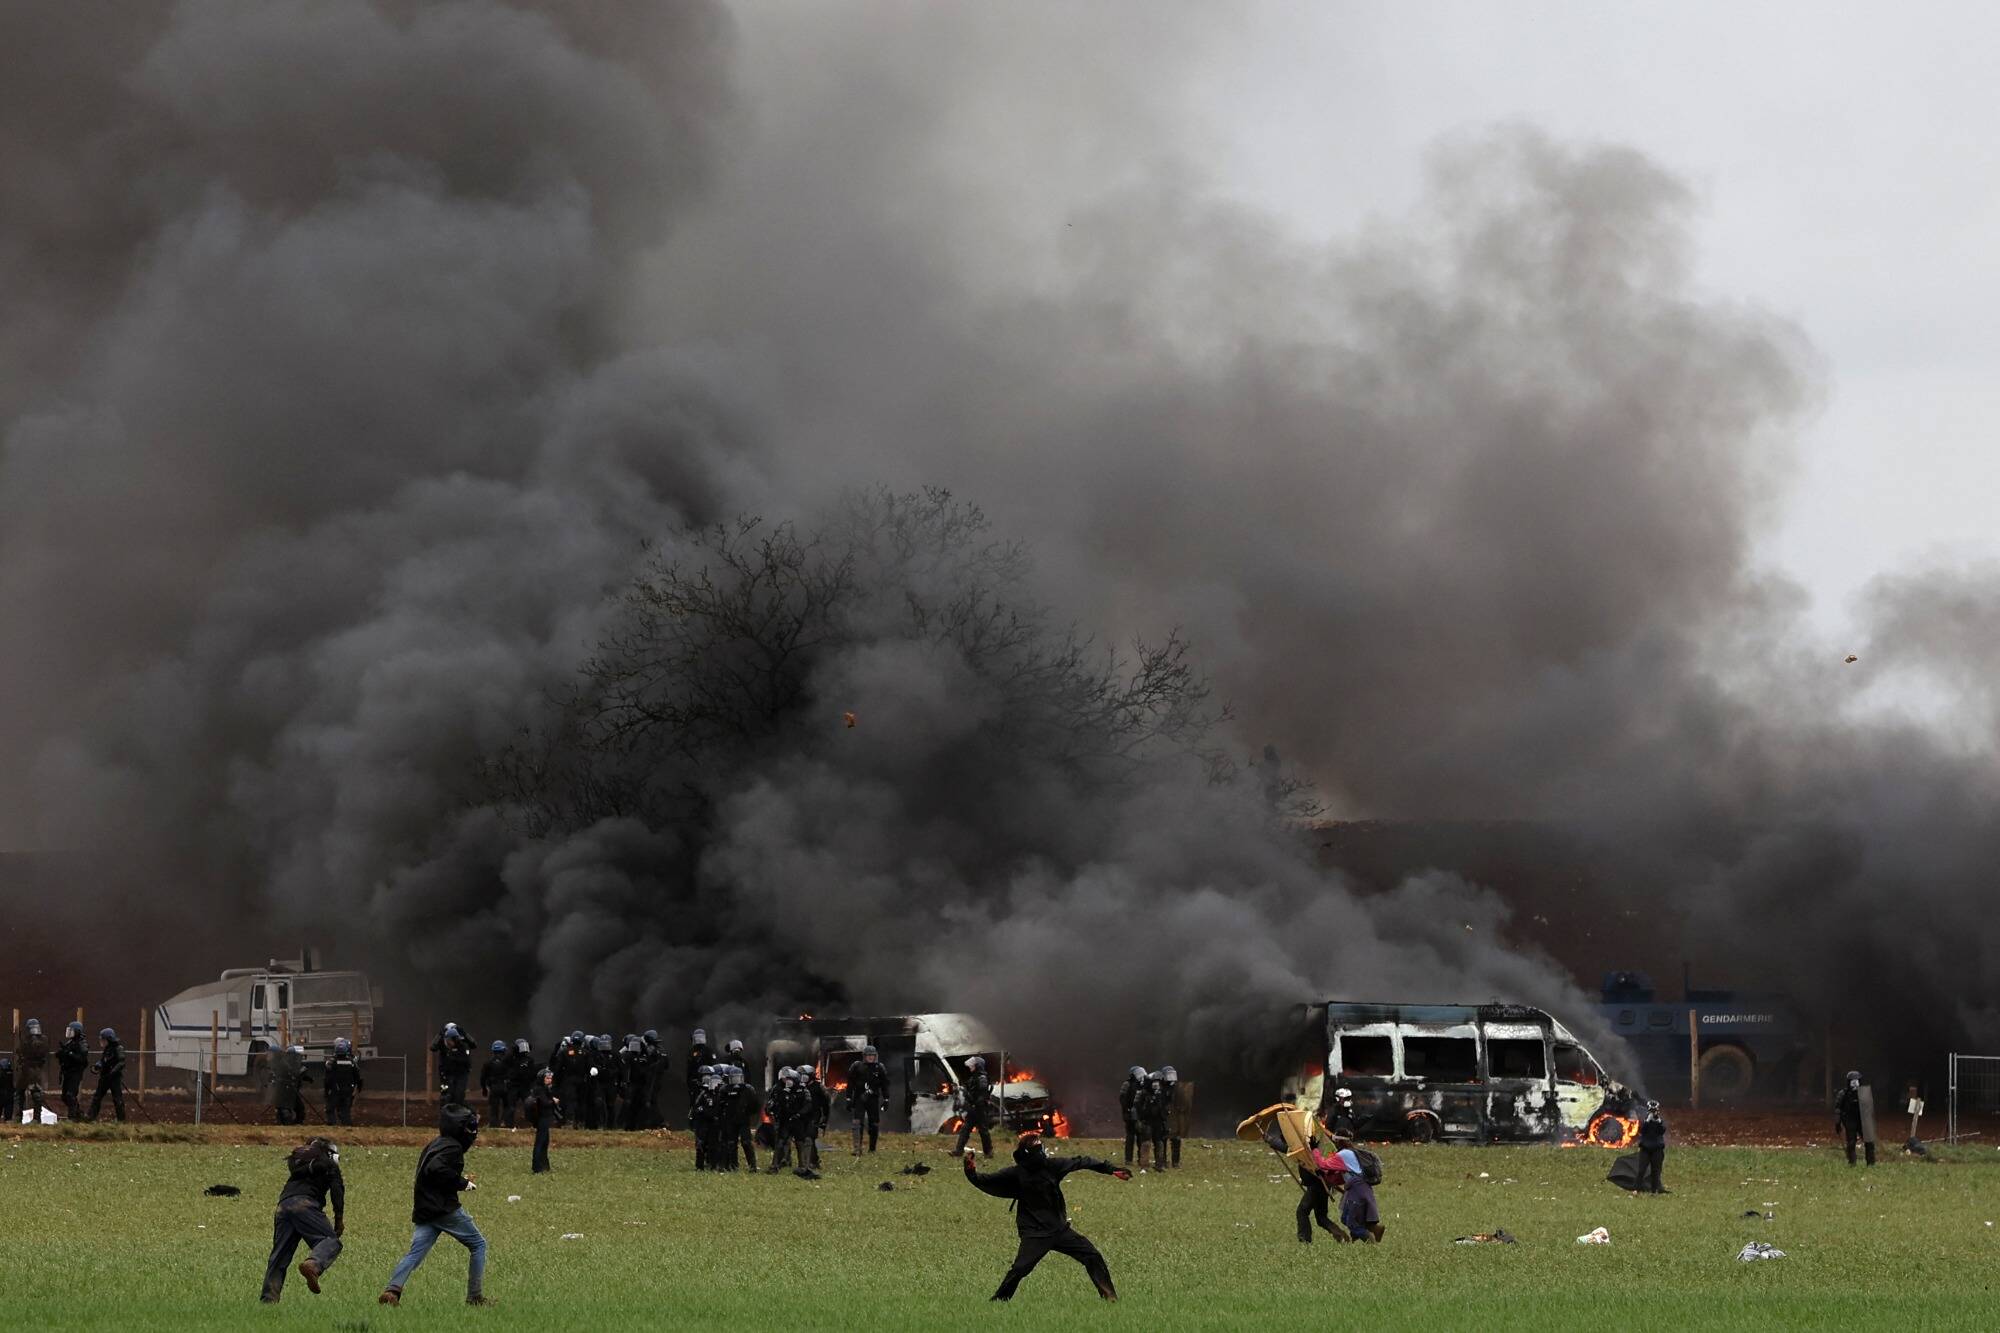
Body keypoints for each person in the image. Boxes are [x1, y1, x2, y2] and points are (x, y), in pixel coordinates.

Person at [963, 1132, 1130, 1301]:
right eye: (1038, 1147)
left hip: (1060, 1230)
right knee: (1020, 1269)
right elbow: (985, 1180)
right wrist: (970, 1170)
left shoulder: (1052, 1166)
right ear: (1030, 1152)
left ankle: (1110, 1297)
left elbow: (1082, 1161)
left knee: (1092, 1255)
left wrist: (1111, 1169)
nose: (1042, 1151)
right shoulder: (1016, 1174)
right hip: (1035, 1234)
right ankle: (998, 1301)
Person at [380, 1104, 489, 1307]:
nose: (474, 1131)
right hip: (442, 1209)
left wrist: (455, 1180)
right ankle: (475, 1297)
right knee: (479, 1244)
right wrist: (461, 1183)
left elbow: (432, 1172)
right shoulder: (453, 1147)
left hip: (424, 1208)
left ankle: (392, 1290)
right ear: (461, 1128)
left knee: (415, 1253)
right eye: (471, 1126)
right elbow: (435, 1169)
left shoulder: (437, 1143)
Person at [260, 1135, 345, 1303]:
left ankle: (268, 1300)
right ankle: (314, 1264)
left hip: (283, 1206)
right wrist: (339, 1220)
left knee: (279, 1256)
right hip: (305, 1205)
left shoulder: (300, 1166)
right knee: (331, 1241)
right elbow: (338, 1192)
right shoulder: (329, 1166)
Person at [848, 1045, 890, 1155]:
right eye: (868, 1055)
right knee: (857, 1123)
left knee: (874, 1124)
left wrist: (886, 1099)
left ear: (875, 1056)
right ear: (864, 1056)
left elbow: (885, 1085)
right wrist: (848, 1098)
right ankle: (857, 1149)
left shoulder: (879, 1067)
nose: (870, 1057)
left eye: (872, 1055)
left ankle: (872, 1149)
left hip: (873, 1099)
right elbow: (850, 1084)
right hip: (859, 1099)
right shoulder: (856, 1066)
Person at [955, 1055, 996, 1157]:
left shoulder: (982, 1078)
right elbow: (970, 1088)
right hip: (974, 1108)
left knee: (983, 1130)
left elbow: (981, 1095)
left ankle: (988, 1152)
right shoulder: (975, 1077)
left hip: (979, 1108)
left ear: (977, 1066)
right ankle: (958, 1151)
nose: (970, 1067)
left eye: (972, 1065)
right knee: (966, 1129)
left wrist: (975, 1104)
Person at [523, 1067, 563, 1173]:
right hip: (542, 1118)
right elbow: (545, 1103)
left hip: (545, 1118)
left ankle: (544, 1165)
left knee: (545, 1142)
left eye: (550, 1078)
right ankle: (537, 1167)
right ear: (542, 1079)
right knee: (540, 1143)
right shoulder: (539, 1089)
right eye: (547, 1078)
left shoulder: (545, 1089)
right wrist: (554, 1101)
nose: (550, 1080)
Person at [1835, 1069, 1876, 1166]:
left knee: (1869, 1142)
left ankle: (1871, 1163)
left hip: (1863, 1120)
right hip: (1849, 1120)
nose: (1854, 1084)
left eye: (1856, 1081)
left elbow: (1869, 1109)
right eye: (1852, 1081)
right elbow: (1838, 1109)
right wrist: (1838, 1122)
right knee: (1851, 1142)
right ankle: (1852, 1162)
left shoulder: (1864, 1094)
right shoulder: (1843, 1094)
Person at [723, 1065, 759, 1171]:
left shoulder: (748, 1089)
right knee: (731, 1143)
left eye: (738, 1078)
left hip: (743, 1120)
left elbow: (755, 1105)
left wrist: (747, 1113)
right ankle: (734, 1166)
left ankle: (752, 1166)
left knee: (746, 1142)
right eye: (733, 1078)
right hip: (730, 1120)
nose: (736, 1081)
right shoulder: (725, 1090)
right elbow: (720, 1104)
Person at [87, 1027, 126, 1122]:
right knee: (97, 1097)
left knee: (117, 1099)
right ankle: (91, 1117)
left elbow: (121, 1062)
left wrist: (113, 1071)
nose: (102, 1042)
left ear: (109, 1039)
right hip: (104, 1077)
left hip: (114, 1078)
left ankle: (121, 1120)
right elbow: (103, 1060)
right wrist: (98, 1065)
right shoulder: (107, 1050)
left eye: (103, 1040)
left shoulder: (118, 1048)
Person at [323, 1038, 363, 1127]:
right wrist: (358, 1088)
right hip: (347, 1091)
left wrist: (326, 1091)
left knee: (330, 1109)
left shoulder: (331, 1063)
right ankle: (347, 1127)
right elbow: (358, 1077)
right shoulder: (352, 1063)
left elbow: (327, 1079)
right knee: (345, 1111)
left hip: (335, 1091)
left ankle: (333, 1127)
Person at [432, 1023, 473, 1111]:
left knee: (459, 1097)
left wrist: (464, 1033)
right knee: (446, 1096)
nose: (448, 1042)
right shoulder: (443, 1044)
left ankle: (467, 1113)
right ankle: (445, 1117)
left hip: (460, 1074)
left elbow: (468, 1058)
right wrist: (439, 1034)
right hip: (447, 1074)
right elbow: (433, 1047)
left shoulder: (463, 1046)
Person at [15, 1017, 48, 1120]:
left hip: (33, 1069)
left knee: (33, 1093)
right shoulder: (29, 1039)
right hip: (29, 1069)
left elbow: (39, 1052)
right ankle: (21, 1116)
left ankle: (34, 1118)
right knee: (21, 1092)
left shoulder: (40, 1040)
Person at [56, 1021, 89, 1121]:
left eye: (72, 1031)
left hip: (75, 1073)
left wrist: (69, 1053)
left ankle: (72, 1117)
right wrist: (61, 1054)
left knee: (71, 1095)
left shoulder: (82, 1043)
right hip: (68, 1072)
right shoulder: (70, 1042)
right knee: (64, 1096)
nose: (69, 1033)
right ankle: (78, 1113)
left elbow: (82, 1058)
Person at [1139, 1069, 1171, 1169]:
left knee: (1159, 1142)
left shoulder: (1163, 1094)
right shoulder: (1144, 1094)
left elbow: (1166, 1107)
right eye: (1154, 1082)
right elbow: (1139, 1107)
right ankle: (1144, 1165)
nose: (1156, 1084)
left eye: (1157, 1082)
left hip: (1159, 1121)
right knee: (1146, 1143)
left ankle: (1159, 1165)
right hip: (1147, 1121)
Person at [690, 1065, 720, 1170]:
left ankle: (713, 1164)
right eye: (704, 1076)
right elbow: (696, 1106)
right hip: (701, 1122)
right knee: (700, 1143)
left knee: (713, 1144)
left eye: (709, 1076)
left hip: (713, 1122)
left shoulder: (718, 1092)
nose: (706, 1078)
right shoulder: (698, 1090)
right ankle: (699, 1166)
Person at [618, 1035, 650, 1131]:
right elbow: (624, 1069)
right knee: (628, 1104)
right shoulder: (627, 1055)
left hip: (641, 1085)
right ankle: (626, 1126)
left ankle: (638, 1126)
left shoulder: (644, 1057)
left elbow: (647, 1070)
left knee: (640, 1105)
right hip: (631, 1084)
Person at [1162, 1066, 1192, 1168]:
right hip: (1164, 1117)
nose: (1171, 1077)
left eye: (1172, 1075)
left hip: (1175, 1118)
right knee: (1162, 1140)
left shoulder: (1178, 1089)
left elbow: (1184, 1104)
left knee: (1176, 1141)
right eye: (1169, 1075)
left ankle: (1175, 1162)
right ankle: (1162, 1161)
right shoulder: (1161, 1088)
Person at [801, 1063, 830, 1168]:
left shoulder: (818, 1087)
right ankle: (814, 1160)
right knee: (806, 1138)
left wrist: (824, 1119)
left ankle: (808, 1163)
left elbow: (826, 1104)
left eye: (804, 1075)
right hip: (803, 1115)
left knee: (809, 1137)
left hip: (814, 1116)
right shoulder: (800, 1087)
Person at [1118, 1066, 1147, 1167]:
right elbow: (1122, 1099)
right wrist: (1128, 1110)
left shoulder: (1144, 1085)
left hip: (1140, 1115)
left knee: (1140, 1138)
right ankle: (1128, 1160)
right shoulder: (1127, 1084)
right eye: (1138, 1073)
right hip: (1129, 1115)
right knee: (1130, 1138)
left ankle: (1141, 1159)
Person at [479, 1041, 513, 1129]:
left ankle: (494, 1126)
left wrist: (484, 1089)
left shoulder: (488, 1063)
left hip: (494, 1087)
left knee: (494, 1108)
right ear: (504, 1050)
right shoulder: (508, 1062)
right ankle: (505, 1123)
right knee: (508, 1106)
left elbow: (483, 1077)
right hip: (506, 1087)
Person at [1637, 1100, 1668, 1193]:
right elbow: (1641, 1131)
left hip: (1657, 1149)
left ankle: (1654, 1190)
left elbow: (1662, 1131)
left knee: (1656, 1171)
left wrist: (1658, 1121)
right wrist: (1647, 1121)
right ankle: (1637, 1189)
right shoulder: (1644, 1119)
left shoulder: (1660, 1120)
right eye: (1651, 1110)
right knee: (1641, 1170)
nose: (1653, 1112)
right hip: (1645, 1149)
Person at [641, 1030, 670, 1129]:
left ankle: (659, 1121)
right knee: (652, 1100)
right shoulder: (662, 1050)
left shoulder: (651, 1049)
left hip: (652, 1079)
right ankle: (654, 1122)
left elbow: (648, 1064)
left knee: (649, 1100)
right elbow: (667, 1065)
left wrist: (649, 1068)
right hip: (658, 1079)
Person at [685, 1029, 713, 1128]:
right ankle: (693, 1125)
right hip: (695, 1082)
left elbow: (713, 1067)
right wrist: (690, 1083)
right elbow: (689, 1069)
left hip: (707, 1083)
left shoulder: (708, 1051)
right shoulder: (692, 1051)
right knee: (694, 1103)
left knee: (708, 1102)